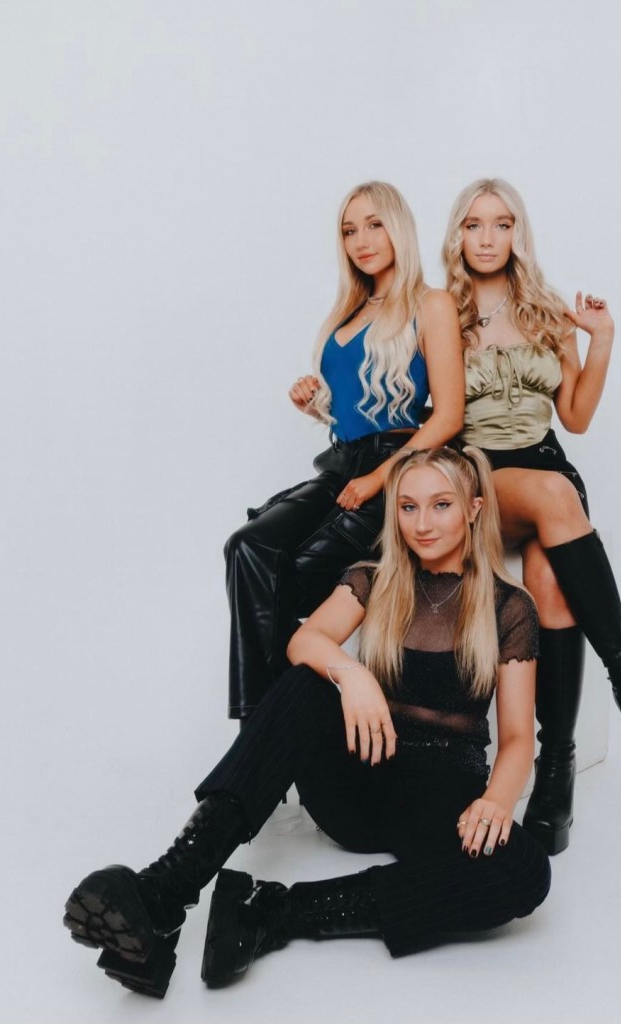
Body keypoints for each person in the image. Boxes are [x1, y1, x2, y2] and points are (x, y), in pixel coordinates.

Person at [63, 447, 550, 998]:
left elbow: (517, 738)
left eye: (441, 505)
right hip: (361, 785)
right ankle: (165, 889)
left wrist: (497, 802)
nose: (422, 523)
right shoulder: (373, 579)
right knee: (305, 684)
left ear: (474, 508)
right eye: (408, 506)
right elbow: (305, 640)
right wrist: (353, 674)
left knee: (525, 872)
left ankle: (271, 911)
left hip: (444, 806)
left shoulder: (508, 607)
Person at [443, 178, 621, 856]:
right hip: (478, 475)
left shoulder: (545, 309)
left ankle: (555, 768)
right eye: (474, 224)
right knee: (559, 497)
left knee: (552, 582)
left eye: (502, 224)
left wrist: (602, 338)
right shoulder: (440, 311)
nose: (488, 238)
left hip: (545, 467)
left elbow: (575, 417)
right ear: (457, 235)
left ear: (517, 234)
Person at [225, 181, 464, 725]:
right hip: (340, 466)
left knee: (287, 577)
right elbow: (352, 409)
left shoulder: (431, 304)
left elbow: (449, 416)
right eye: (349, 230)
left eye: (374, 225)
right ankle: (262, 723)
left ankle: (263, 733)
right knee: (247, 547)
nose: (362, 240)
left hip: (397, 469)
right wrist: (314, 403)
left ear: (398, 227)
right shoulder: (347, 312)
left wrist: (381, 479)